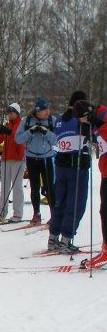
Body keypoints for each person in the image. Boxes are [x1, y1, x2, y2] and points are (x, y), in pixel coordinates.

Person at [48, 91, 92, 253]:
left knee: (60, 202)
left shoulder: (60, 119)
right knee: (76, 203)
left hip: (61, 165)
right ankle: (66, 239)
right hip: (77, 166)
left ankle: (53, 238)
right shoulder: (80, 119)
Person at [74, 100, 107, 268]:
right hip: (105, 170)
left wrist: (99, 126)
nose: (83, 122)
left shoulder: (103, 116)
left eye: (83, 120)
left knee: (105, 211)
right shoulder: (96, 120)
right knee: (104, 211)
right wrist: (92, 136)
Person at [15, 97, 57, 224]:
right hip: (32, 158)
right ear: (38, 111)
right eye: (45, 110)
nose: (47, 112)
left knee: (49, 188)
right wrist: (30, 131)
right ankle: (36, 214)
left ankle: (54, 215)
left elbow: (56, 140)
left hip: (46, 158)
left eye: (48, 109)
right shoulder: (27, 120)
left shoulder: (52, 120)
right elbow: (18, 139)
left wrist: (46, 132)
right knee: (34, 187)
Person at [0, 103, 26, 222]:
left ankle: (18, 213)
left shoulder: (21, 124)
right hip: (6, 158)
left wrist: (8, 132)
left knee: (17, 186)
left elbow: (18, 139)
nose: (9, 116)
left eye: (11, 113)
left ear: (16, 113)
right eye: (8, 114)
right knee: (4, 186)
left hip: (17, 158)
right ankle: (1, 212)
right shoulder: (8, 125)